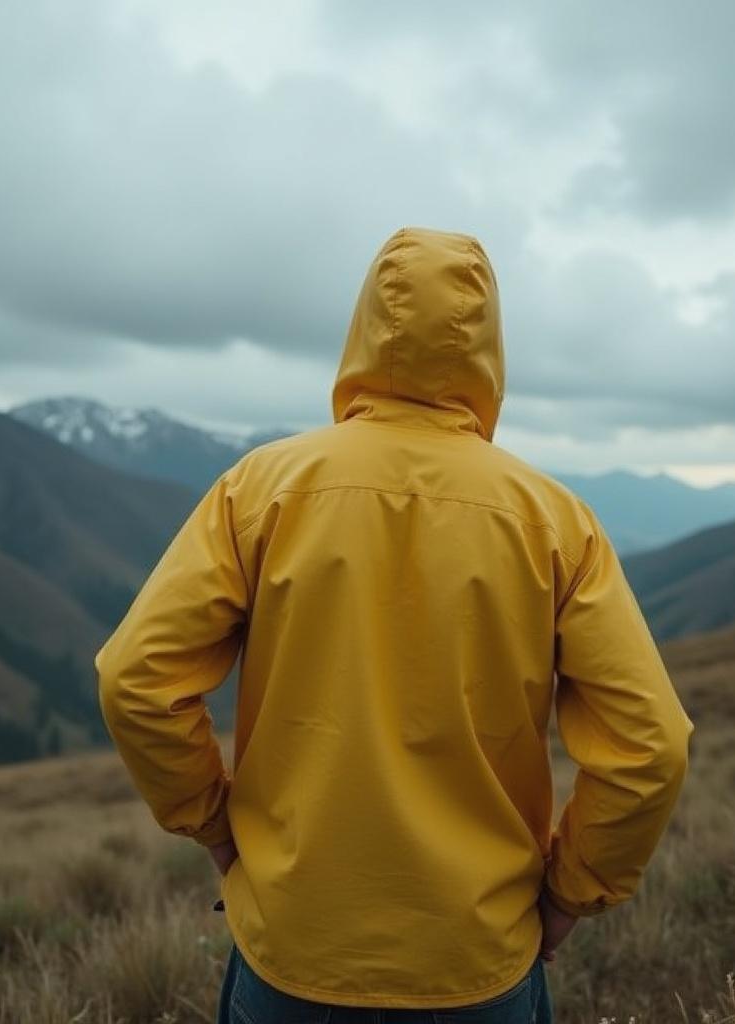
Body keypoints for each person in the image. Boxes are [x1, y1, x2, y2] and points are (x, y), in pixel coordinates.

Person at [95, 226, 694, 1023]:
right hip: (479, 957)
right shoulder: (555, 520)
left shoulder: (262, 489)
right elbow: (649, 744)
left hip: (292, 946)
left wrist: (215, 828)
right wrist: (569, 899)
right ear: (491, 346)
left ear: (365, 327)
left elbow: (136, 677)